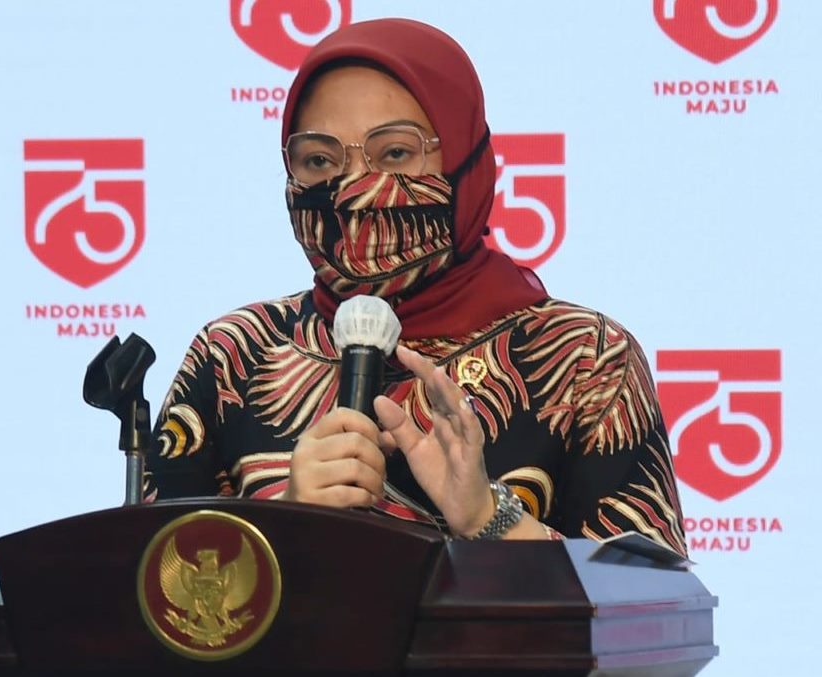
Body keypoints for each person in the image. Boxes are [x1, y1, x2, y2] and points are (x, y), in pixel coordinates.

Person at [145, 18, 685, 553]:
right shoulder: (234, 355)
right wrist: (285, 523)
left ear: (466, 159)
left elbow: (650, 597)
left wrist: (489, 520)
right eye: (319, 160)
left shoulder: (586, 358)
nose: (354, 187)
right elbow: (147, 588)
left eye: (395, 153)